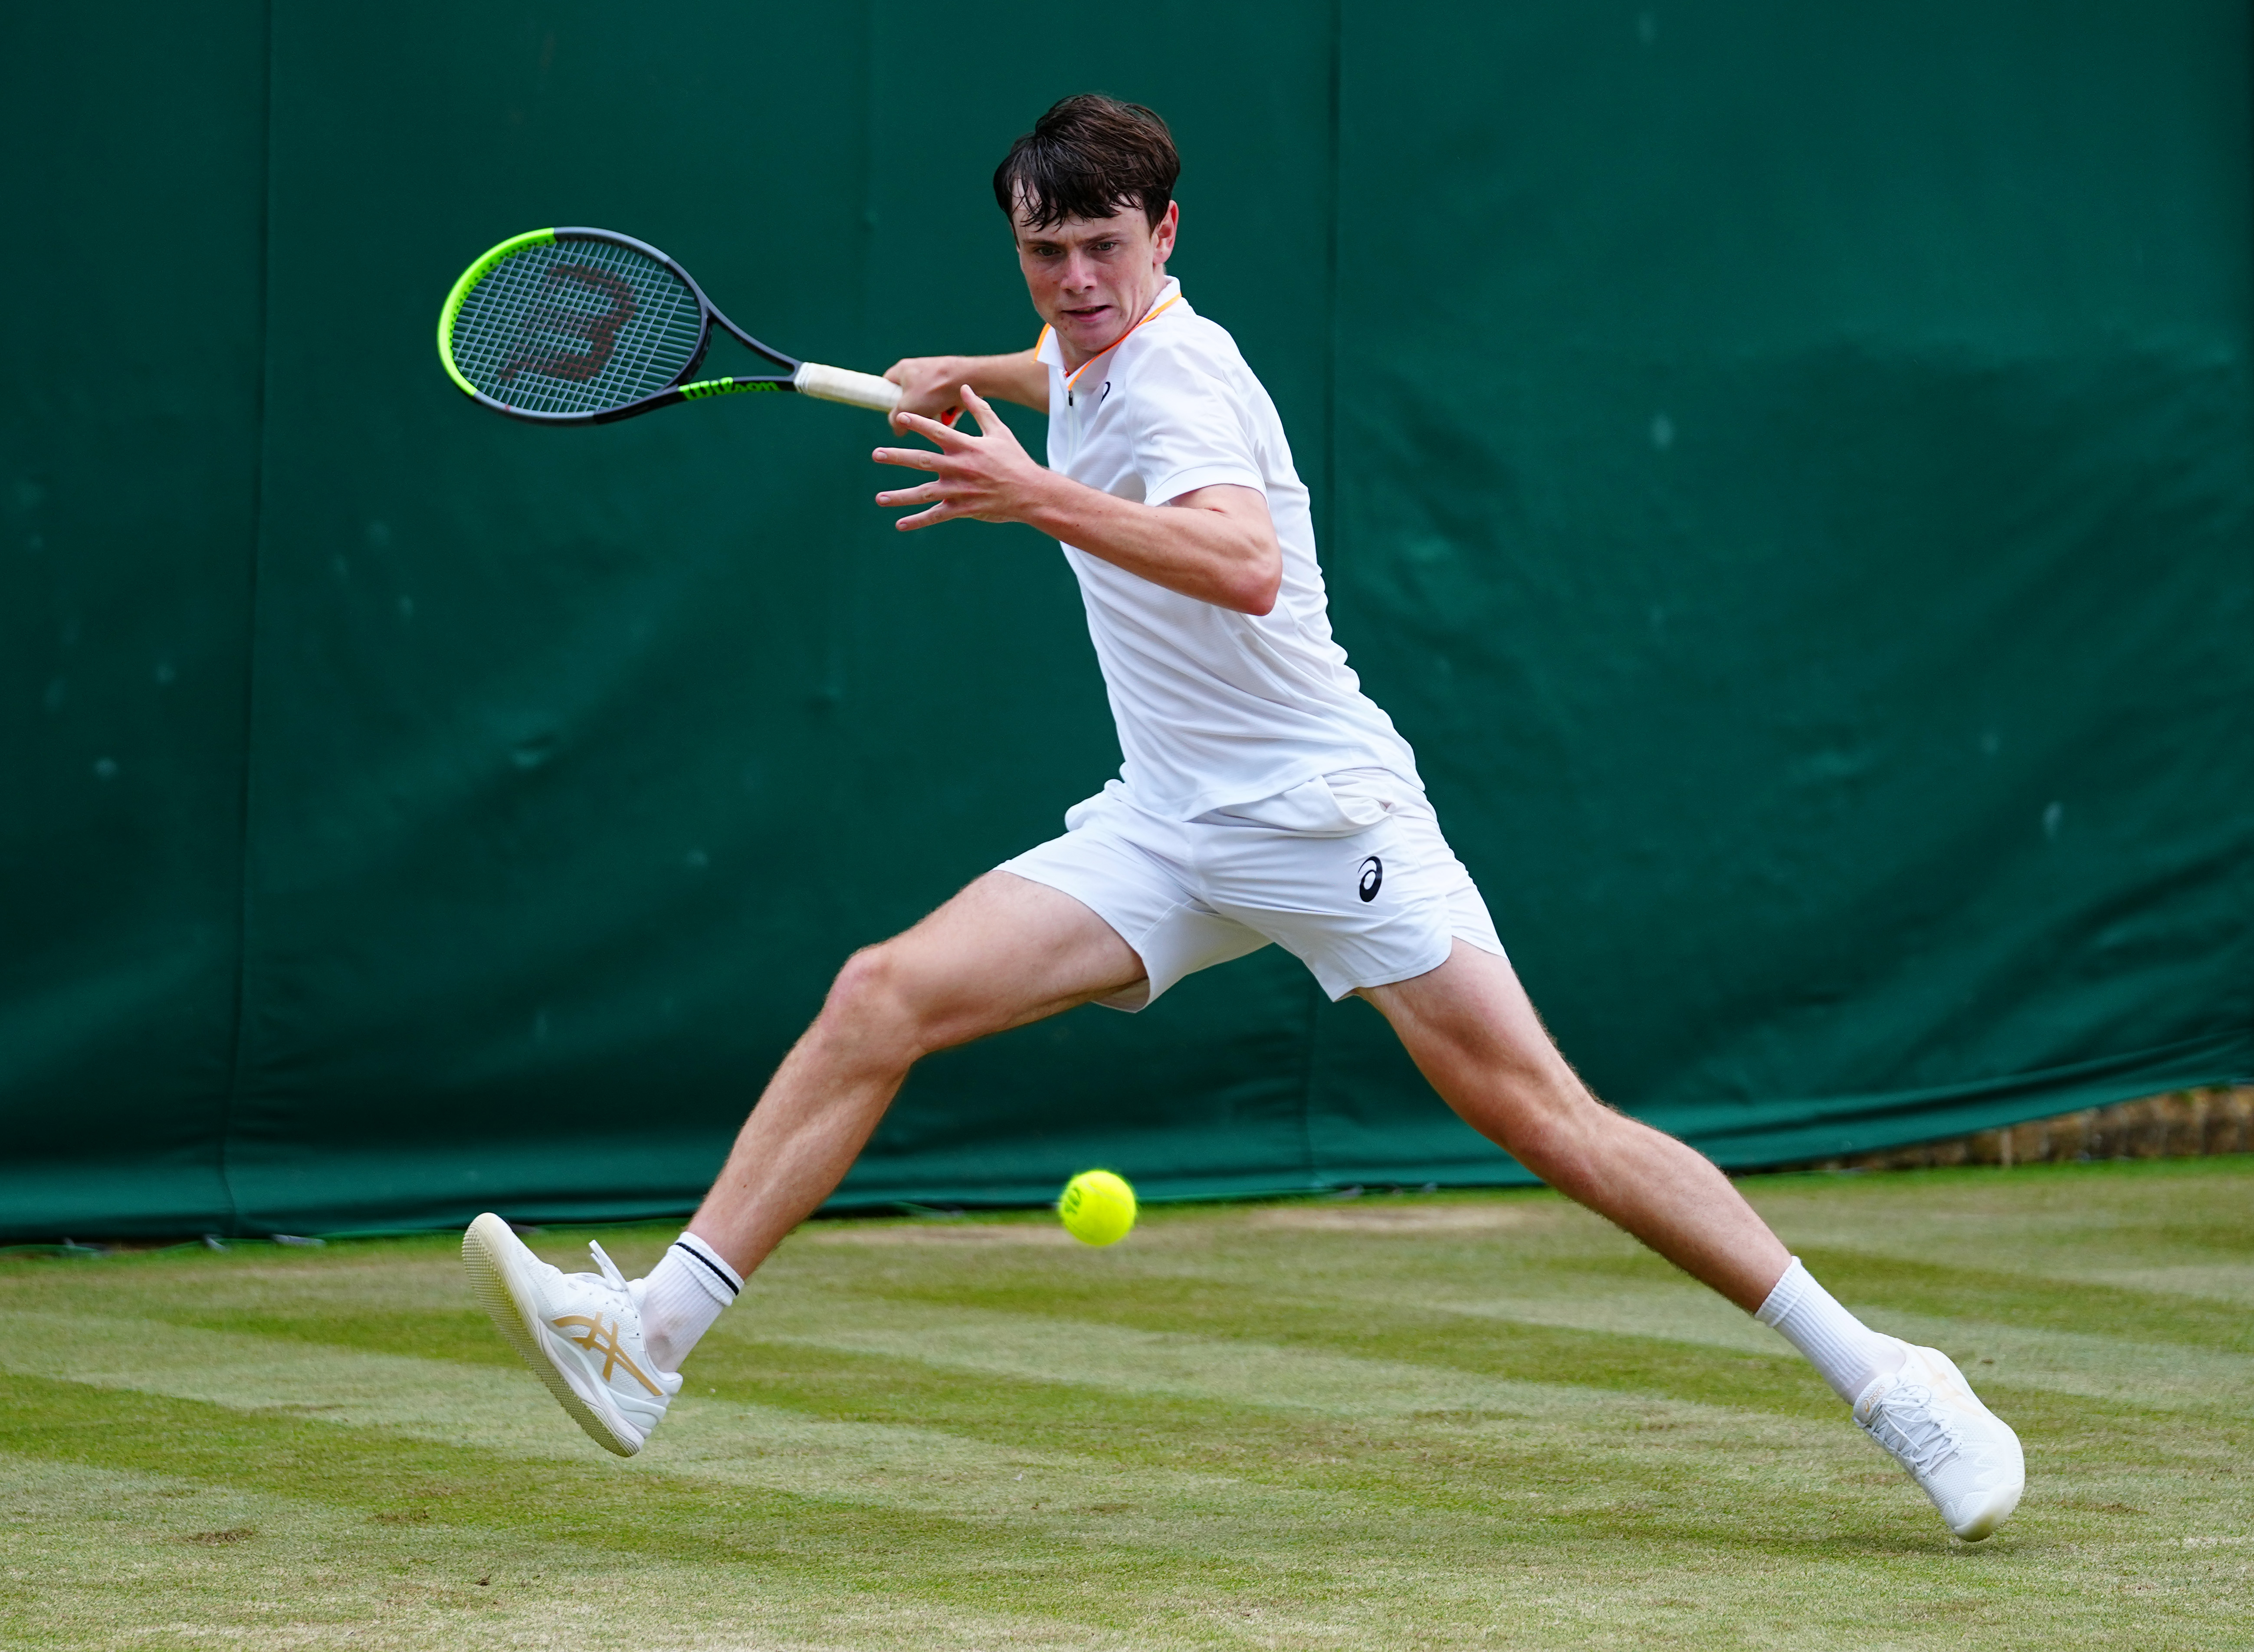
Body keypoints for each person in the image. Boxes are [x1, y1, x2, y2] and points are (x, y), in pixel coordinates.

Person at [462, 94, 2023, 1541]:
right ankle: (649, 1339)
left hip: (1320, 817)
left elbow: (1241, 563)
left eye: (1103, 247)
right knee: (883, 994)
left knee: (1548, 1120)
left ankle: (1888, 1377)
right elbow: (1070, 366)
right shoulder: (1089, 343)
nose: (1075, 280)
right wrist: (979, 370)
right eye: (1044, 251)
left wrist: (1032, 496)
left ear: (1165, 232)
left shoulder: (1187, 377)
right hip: (1165, 825)